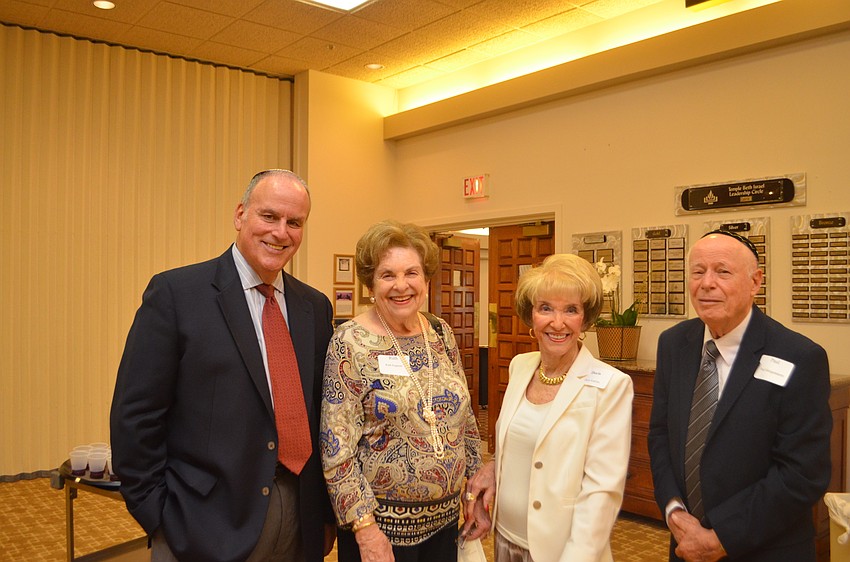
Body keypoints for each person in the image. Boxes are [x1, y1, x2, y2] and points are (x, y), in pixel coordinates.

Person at [110, 169, 336, 562]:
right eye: (269, 216)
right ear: (240, 215)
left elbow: (320, 414)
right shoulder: (176, 295)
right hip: (202, 522)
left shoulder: (313, 307)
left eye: (294, 222)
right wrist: (158, 515)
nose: (281, 232)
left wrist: (324, 514)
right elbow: (136, 415)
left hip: (299, 518)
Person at [648, 230, 832, 562]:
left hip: (765, 549)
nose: (706, 283)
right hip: (685, 544)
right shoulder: (673, 344)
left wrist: (720, 536)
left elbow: (803, 472)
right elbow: (660, 435)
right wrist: (674, 511)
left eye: (722, 271)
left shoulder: (800, 357)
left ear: (755, 282)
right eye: (698, 271)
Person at [320, 220, 486, 562]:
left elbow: (466, 422)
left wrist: (473, 494)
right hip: (380, 533)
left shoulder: (440, 332)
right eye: (387, 275)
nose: (401, 286)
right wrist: (366, 529)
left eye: (411, 273)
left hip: (445, 527)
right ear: (370, 283)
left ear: (425, 279)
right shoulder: (349, 343)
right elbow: (336, 449)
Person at [464, 253, 634, 562]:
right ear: (531, 316)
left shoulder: (611, 385)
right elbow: (525, 442)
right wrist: (493, 468)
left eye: (571, 309)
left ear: (585, 318)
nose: (558, 323)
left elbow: (602, 492)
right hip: (505, 540)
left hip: (563, 551)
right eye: (546, 308)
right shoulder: (520, 367)